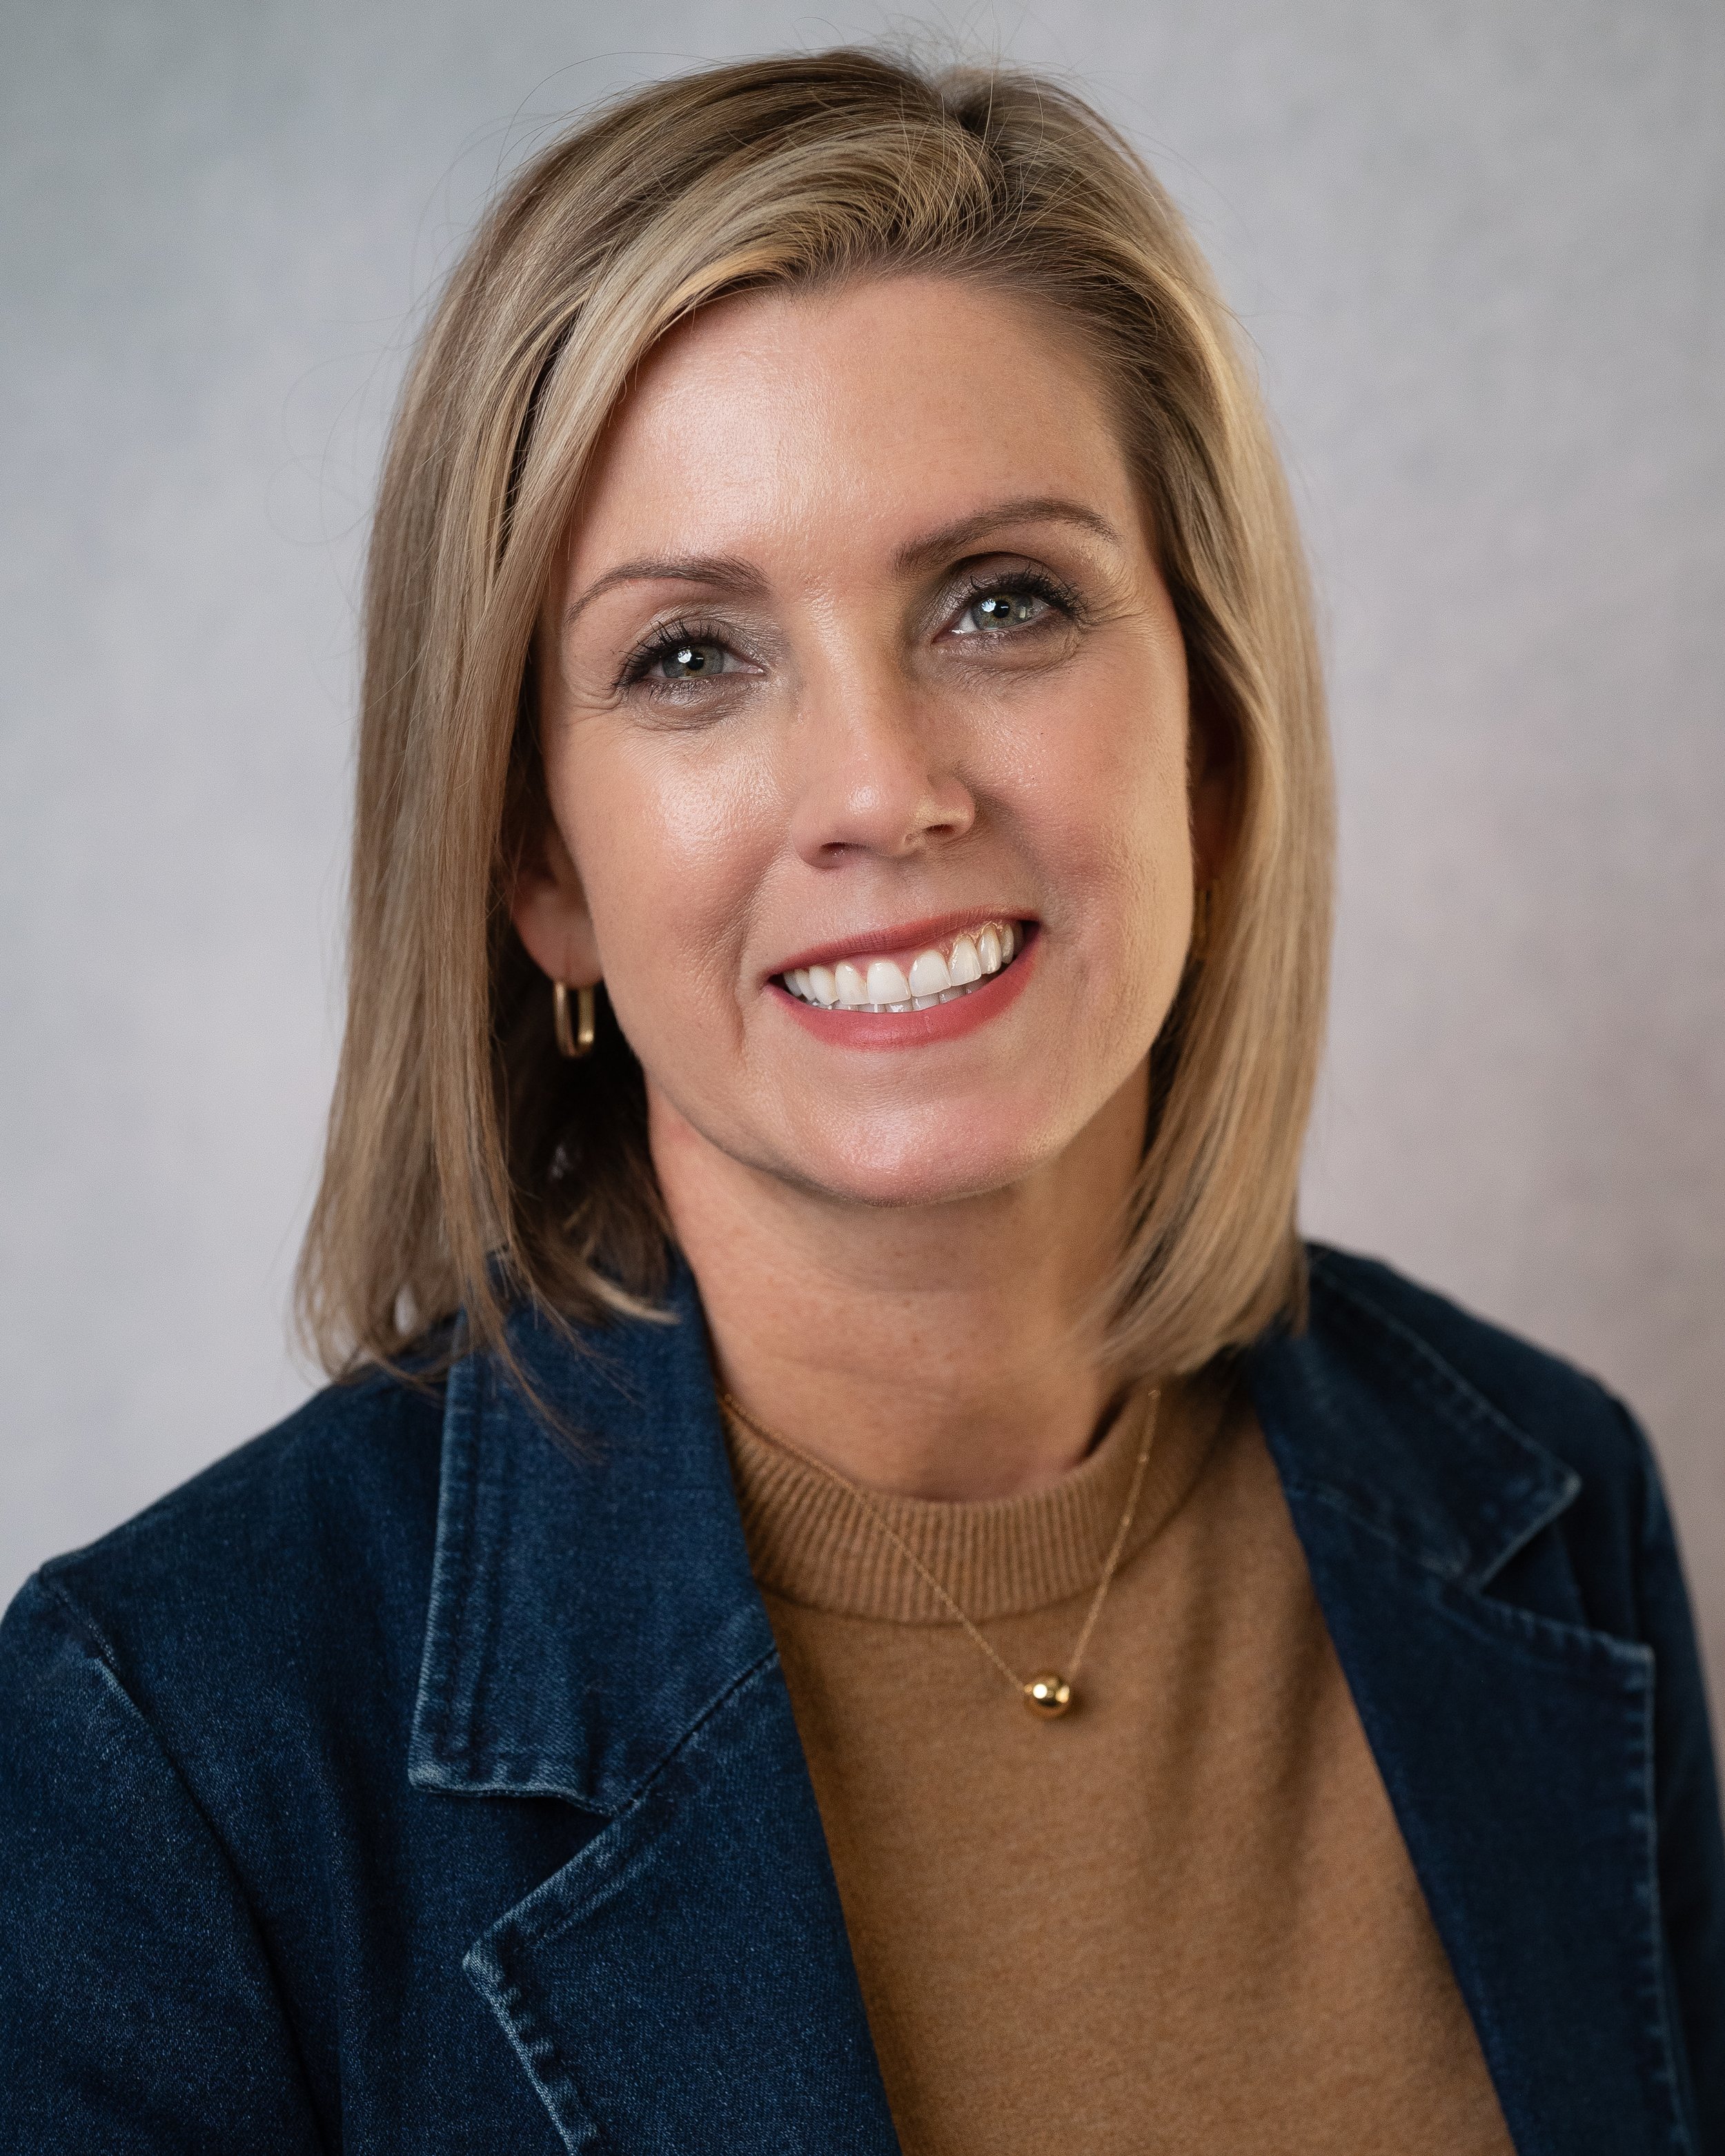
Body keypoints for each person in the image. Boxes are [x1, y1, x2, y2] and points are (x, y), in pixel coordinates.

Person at [1, 48, 1719, 2156]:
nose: (882, 789)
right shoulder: (176, 1748)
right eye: (690, 659)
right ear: (537, 866)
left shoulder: (1542, 1507)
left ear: (1204, 728)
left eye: (1002, 602)